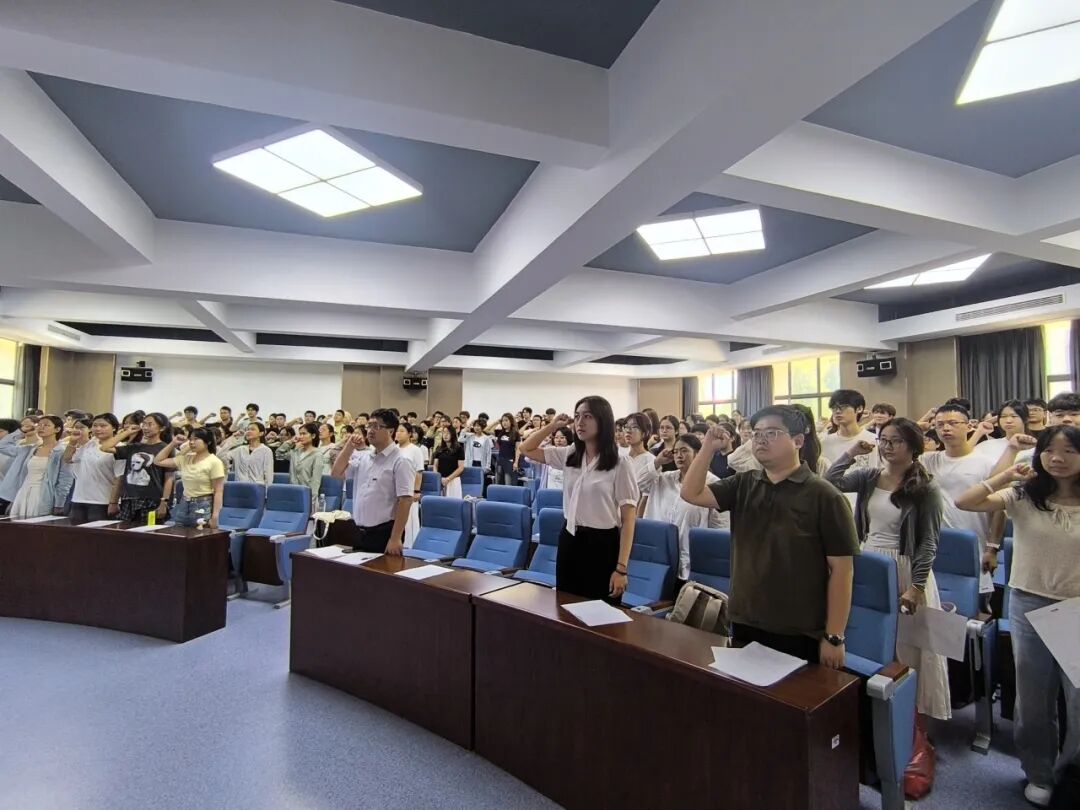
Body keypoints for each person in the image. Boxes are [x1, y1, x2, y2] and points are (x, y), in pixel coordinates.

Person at [954, 425, 1080, 808]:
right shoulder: (1024, 494)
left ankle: (1070, 773)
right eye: (1050, 450)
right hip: (1028, 603)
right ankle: (1039, 773)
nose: (1057, 458)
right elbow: (966, 501)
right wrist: (1007, 474)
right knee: (1033, 697)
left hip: (1076, 609)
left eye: (1069, 451)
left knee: (1077, 700)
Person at [680, 407, 859, 667]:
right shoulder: (743, 483)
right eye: (757, 433)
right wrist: (707, 447)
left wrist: (834, 636)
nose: (761, 440)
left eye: (772, 433)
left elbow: (842, 571)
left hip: (799, 629)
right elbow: (691, 493)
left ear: (798, 441)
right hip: (744, 618)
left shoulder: (825, 496)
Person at [826, 416, 952, 782]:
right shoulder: (869, 476)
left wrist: (916, 586)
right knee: (874, 644)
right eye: (883, 439)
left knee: (909, 650)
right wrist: (851, 451)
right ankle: (875, 725)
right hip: (869, 562)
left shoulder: (924, 488)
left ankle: (911, 729)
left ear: (914, 448)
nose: (887, 446)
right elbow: (830, 482)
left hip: (905, 567)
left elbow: (928, 542)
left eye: (896, 441)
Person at [519, 397, 638, 605]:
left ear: (602, 421)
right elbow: (526, 448)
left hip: (602, 543)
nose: (580, 422)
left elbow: (629, 519)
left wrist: (621, 568)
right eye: (577, 416)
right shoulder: (571, 453)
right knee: (566, 605)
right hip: (570, 538)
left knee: (599, 610)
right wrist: (553, 426)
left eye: (587, 416)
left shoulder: (620, 462)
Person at [920, 402, 1000, 595]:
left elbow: (998, 509)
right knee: (937, 599)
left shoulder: (987, 463)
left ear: (969, 426)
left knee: (975, 602)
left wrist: (992, 548)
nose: (946, 428)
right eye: (940, 425)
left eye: (953, 423)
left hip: (974, 541)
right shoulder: (927, 460)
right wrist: (918, 427)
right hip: (935, 543)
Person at [639, 433, 725, 594]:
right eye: (676, 451)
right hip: (659, 558)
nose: (679, 455)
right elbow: (639, 483)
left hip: (690, 560)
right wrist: (657, 462)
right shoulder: (664, 479)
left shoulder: (712, 483)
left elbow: (718, 526)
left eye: (684, 451)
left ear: (698, 454)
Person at [330, 408, 413, 554]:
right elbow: (336, 473)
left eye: (376, 426)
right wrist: (349, 446)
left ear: (390, 431)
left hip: (384, 533)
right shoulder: (364, 457)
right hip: (359, 531)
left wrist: (395, 538)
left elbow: (405, 501)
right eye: (369, 426)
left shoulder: (401, 460)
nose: (370, 431)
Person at [99, 413, 175, 524]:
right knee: (126, 531)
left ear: (162, 428)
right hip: (129, 498)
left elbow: (169, 478)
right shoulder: (135, 447)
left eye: (150, 424)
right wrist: (127, 432)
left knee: (148, 532)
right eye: (144, 424)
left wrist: (164, 502)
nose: (145, 427)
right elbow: (105, 447)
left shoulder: (165, 448)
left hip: (152, 500)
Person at [3, 414, 73, 518]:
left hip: (43, 493)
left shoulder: (61, 451)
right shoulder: (30, 449)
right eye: (39, 425)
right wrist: (21, 431)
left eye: (46, 425)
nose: (41, 427)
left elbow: (65, 479)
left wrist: (59, 503)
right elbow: (3, 446)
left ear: (57, 429)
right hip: (24, 490)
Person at [152, 428, 225, 528]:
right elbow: (158, 461)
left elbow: (218, 491)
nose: (191, 442)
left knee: (199, 535)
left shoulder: (214, 462)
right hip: (184, 502)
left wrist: (215, 516)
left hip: (203, 504)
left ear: (208, 442)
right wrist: (173, 443)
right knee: (179, 534)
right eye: (190, 439)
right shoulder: (187, 458)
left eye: (196, 439)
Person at [65, 412, 121, 524]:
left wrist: (113, 502)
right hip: (79, 498)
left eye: (103, 426)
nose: (98, 429)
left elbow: (119, 477)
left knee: (98, 533)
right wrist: (72, 442)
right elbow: (68, 459)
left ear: (114, 428)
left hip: (102, 501)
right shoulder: (90, 444)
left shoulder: (119, 448)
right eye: (95, 425)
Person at [821, 389, 878, 474]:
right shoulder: (825, 442)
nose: (837, 411)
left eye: (843, 407)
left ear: (859, 408)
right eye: (834, 408)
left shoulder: (873, 440)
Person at [395, 423, 425, 546]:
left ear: (409, 434)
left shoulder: (415, 450)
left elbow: (419, 471)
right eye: (397, 431)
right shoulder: (394, 449)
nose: (398, 433)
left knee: (409, 520)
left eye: (402, 431)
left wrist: (416, 491)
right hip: (395, 491)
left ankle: (410, 545)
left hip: (409, 490)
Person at [288, 422, 326, 512]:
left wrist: (311, 499)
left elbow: (316, 480)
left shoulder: (317, 454)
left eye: (304, 434)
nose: (301, 436)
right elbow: (279, 454)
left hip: (307, 496)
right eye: (300, 434)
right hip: (293, 493)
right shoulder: (296, 452)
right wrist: (290, 442)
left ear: (313, 436)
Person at [225, 421, 274, 487]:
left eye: (252, 429)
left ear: (261, 433)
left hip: (257, 487)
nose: (248, 431)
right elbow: (221, 456)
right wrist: (232, 438)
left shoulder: (266, 451)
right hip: (239, 486)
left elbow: (269, 475)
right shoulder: (240, 449)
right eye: (247, 429)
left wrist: (266, 491)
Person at [623, 412, 660, 492]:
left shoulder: (651, 460)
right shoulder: (621, 457)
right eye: (626, 427)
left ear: (645, 433)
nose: (628, 431)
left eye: (634, 427)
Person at [433, 425, 465, 498]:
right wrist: (437, 477)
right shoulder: (439, 448)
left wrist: (448, 479)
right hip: (440, 480)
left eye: (448, 433)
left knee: (453, 502)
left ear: (452, 434)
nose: (445, 435)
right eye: (444, 433)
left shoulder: (459, 448)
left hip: (453, 480)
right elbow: (435, 465)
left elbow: (461, 468)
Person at [493, 413, 519, 486]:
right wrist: (497, 422)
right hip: (500, 460)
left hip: (510, 461)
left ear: (511, 421)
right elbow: (486, 430)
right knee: (498, 483)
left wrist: (516, 462)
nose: (504, 422)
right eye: (503, 421)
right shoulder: (500, 432)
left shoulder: (515, 433)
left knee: (508, 483)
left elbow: (518, 449)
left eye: (506, 420)